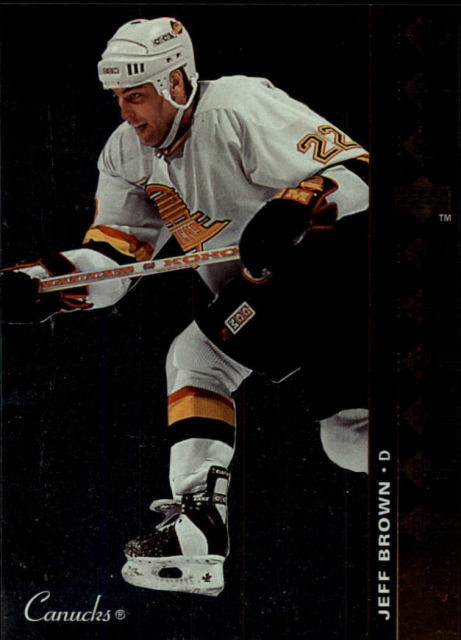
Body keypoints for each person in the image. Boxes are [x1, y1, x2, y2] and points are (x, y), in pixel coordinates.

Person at [0, 17, 369, 597]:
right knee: (347, 440)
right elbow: (114, 261)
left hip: (339, 272)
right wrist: (40, 283)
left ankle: (200, 521)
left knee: (199, 356)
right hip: (274, 301)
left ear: (175, 82)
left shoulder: (235, 105)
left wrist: (298, 205)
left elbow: (360, 171)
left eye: (136, 95)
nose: (126, 112)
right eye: (118, 98)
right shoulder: (126, 153)